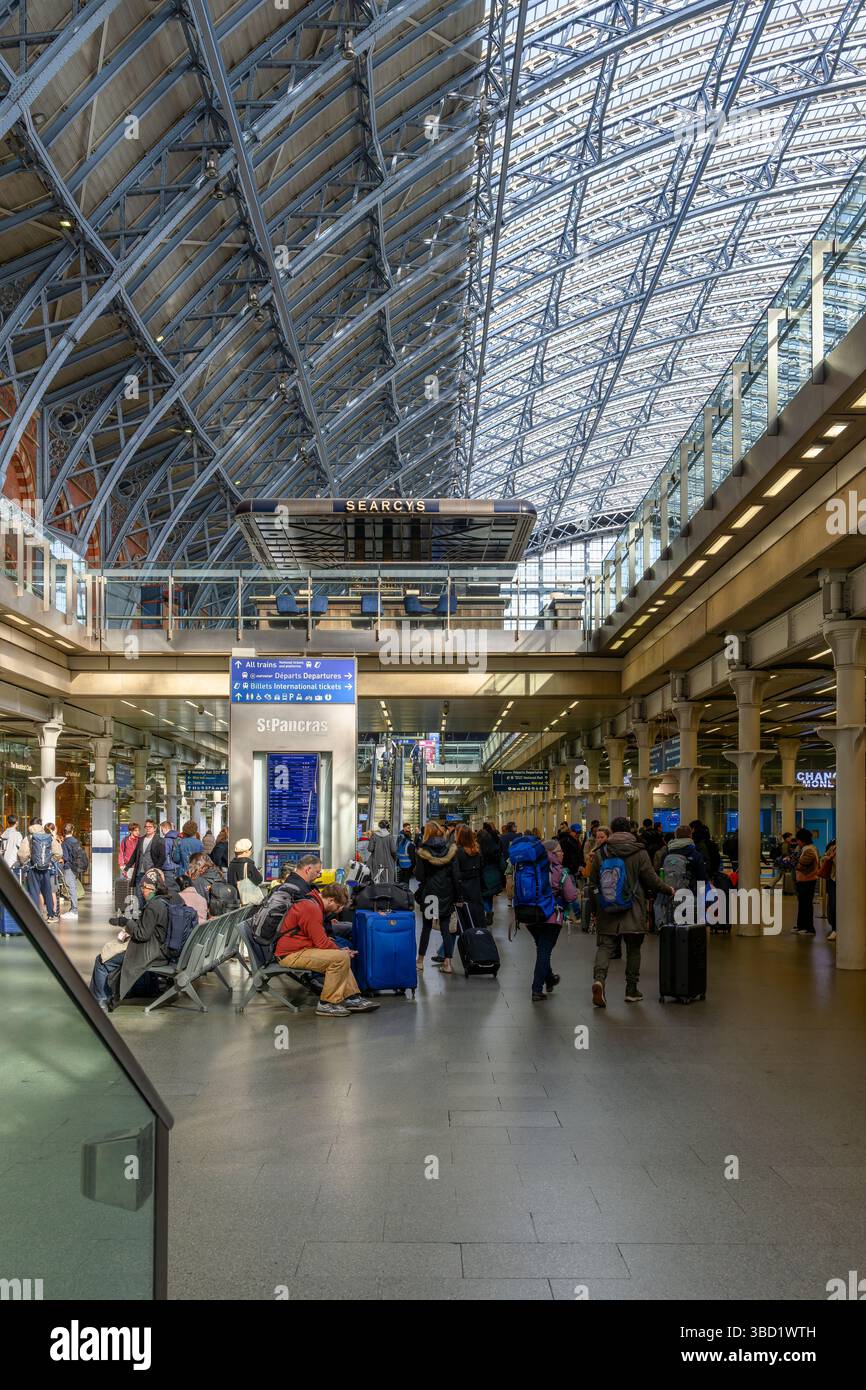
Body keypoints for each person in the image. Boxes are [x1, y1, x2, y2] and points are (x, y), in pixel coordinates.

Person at [273, 858, 378, 1017]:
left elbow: (320, 940)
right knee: (340, 957)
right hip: (290, 954)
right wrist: (340, 951)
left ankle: (351, 997)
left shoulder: (313, 900)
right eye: (336, 907)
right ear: (330, 900)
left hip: (298, 949)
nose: (335, 912)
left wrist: (341, 950)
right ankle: (328, 1003)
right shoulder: (311, 908)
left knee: (341, 955)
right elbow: (321, 942)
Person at [589, 816, 672, 1007]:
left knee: (605, 946)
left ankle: (599, 980)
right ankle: (631, 990)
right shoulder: (639, 851)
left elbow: (592, 884)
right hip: (633, 908)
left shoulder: (601, 852)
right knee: (634, 949)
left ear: (612, 830)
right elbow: (651, 879)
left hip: (607, 908)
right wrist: (668, 890)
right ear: (630, 830)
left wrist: (596, 906)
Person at [89, 868, 175, 1011]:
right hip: (159, 949)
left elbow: (142, 935)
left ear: (152, 889)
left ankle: (100, 1000)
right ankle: (95, 996)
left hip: (149, 953)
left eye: (145, 888)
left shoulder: (154, 906)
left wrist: (127, 923)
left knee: (101, 961)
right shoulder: (165, 901)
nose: (142, 891)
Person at [414, 820, 463, 973]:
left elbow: (420, 876)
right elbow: (456, 875)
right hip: (447, 894)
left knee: (427, 928)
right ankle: (447, 963)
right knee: (445, 929)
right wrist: (458, 896)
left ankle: (420, 961)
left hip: (430, 894)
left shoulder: (423, 852)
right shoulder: (450, 849)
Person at [454, 824, 486, 932]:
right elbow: (482, 870)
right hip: (476, 889)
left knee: (464, 921)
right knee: (477, 918)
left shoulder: (457, 852)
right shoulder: (477, 851)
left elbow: (456, 874)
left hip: (463, 890)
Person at [26, 818, 58, 923]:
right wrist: (50, 860)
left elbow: (22, 854)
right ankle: (51, 915)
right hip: (46, 869)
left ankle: (35, 916)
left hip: (33, 868)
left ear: (31, 825)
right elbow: (59, 852)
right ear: (41, 825)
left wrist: (24, 862)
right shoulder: (49, 837)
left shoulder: (28, 837)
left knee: (34, 892)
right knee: (47, 891)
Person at [793, 826, 820, 936]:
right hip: (803, 881)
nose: (797, 842)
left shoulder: (809, 850)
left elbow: (801, 866)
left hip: (807, 881)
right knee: (803, 904)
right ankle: (801, 926)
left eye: (798, 840)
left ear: (802, 840)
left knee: (806, 905)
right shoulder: (806, 849)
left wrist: (793, 863)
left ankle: (809, 928)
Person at [128, 818, 166, 886]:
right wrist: (127, 867)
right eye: (146, 827)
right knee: (138, 893)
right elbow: (135, 854)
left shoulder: (160, 840)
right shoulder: (141, 839)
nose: (147, 828)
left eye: (150, 827)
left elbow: (162, 857)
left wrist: (156, 869)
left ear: (154, 828)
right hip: (139, 872)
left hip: (151, 873)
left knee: (150, 894)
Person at [61, 822, 86, 918]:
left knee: (71, 888)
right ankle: (73, 909)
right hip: (76, 868)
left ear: (64, 831)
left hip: (69, 868)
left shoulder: (65, 842)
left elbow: (66, 857)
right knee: (73, 888)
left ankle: (74, 910)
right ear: (72, 831)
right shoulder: (76, 841)